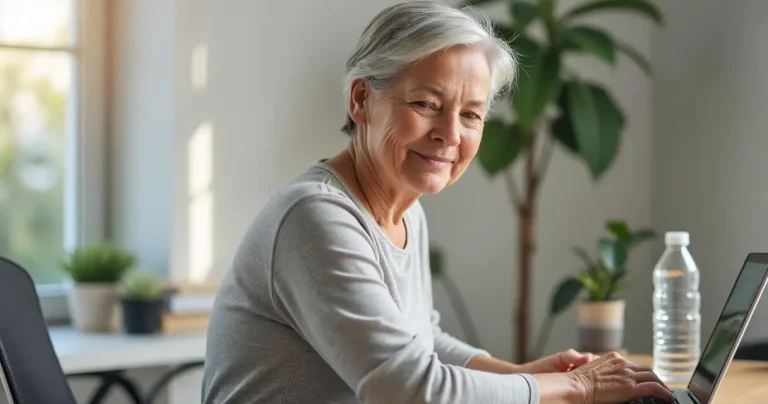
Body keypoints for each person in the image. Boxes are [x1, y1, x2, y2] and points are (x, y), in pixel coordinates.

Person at [201, 1, 675, 403]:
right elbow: (407, 387)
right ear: (361, 99)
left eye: (471, 114)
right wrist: (574, 387)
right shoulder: (316, 217)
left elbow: (422, 342)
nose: (450, 135)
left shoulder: (407, 211)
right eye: (426, 104)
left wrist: (520, 374)